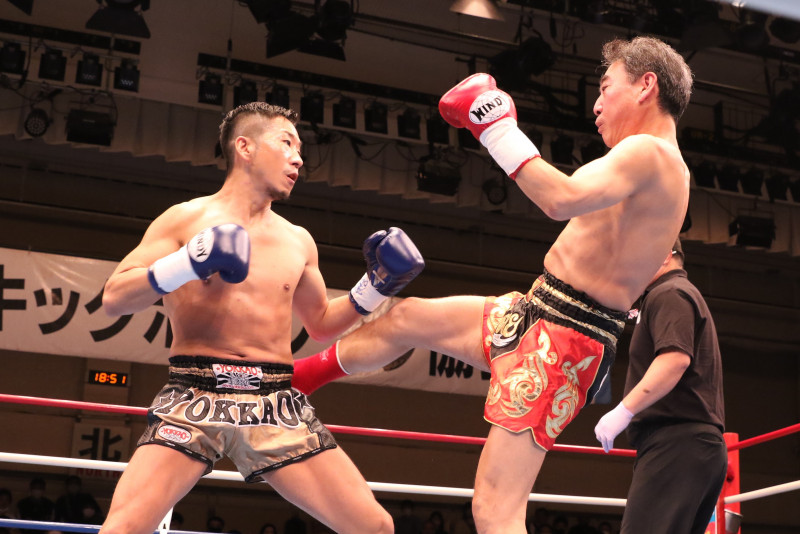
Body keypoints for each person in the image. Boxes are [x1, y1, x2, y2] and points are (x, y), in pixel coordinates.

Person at [292, 36, 693, 534]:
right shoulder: (660, 165)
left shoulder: (650, 153)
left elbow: (560, 198)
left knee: (496, 511)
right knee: (405, 317)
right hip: (537, 310)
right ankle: (293, 382)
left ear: (646, 86)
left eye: (606, 87)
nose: (596, 104)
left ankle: (291, 383)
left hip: (563, 342)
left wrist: (497, 127)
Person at [98, 101, 426, 534]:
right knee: (124, 529)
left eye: (300, 149)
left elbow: (321, 323)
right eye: (286, 143)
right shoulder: (186, 219)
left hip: (274, 402)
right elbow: (114, 298)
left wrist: (377, 286)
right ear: (245, 147)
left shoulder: (298, 240)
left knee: (375, 527)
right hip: (196, 391)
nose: (298, 158)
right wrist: (188, 263)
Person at [593, 240, 726, 534]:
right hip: (691, 446)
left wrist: (625, 410)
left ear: (665, 255)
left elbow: (675, 360)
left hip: (677, 444)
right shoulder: (673, 293)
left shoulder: (669, 293)